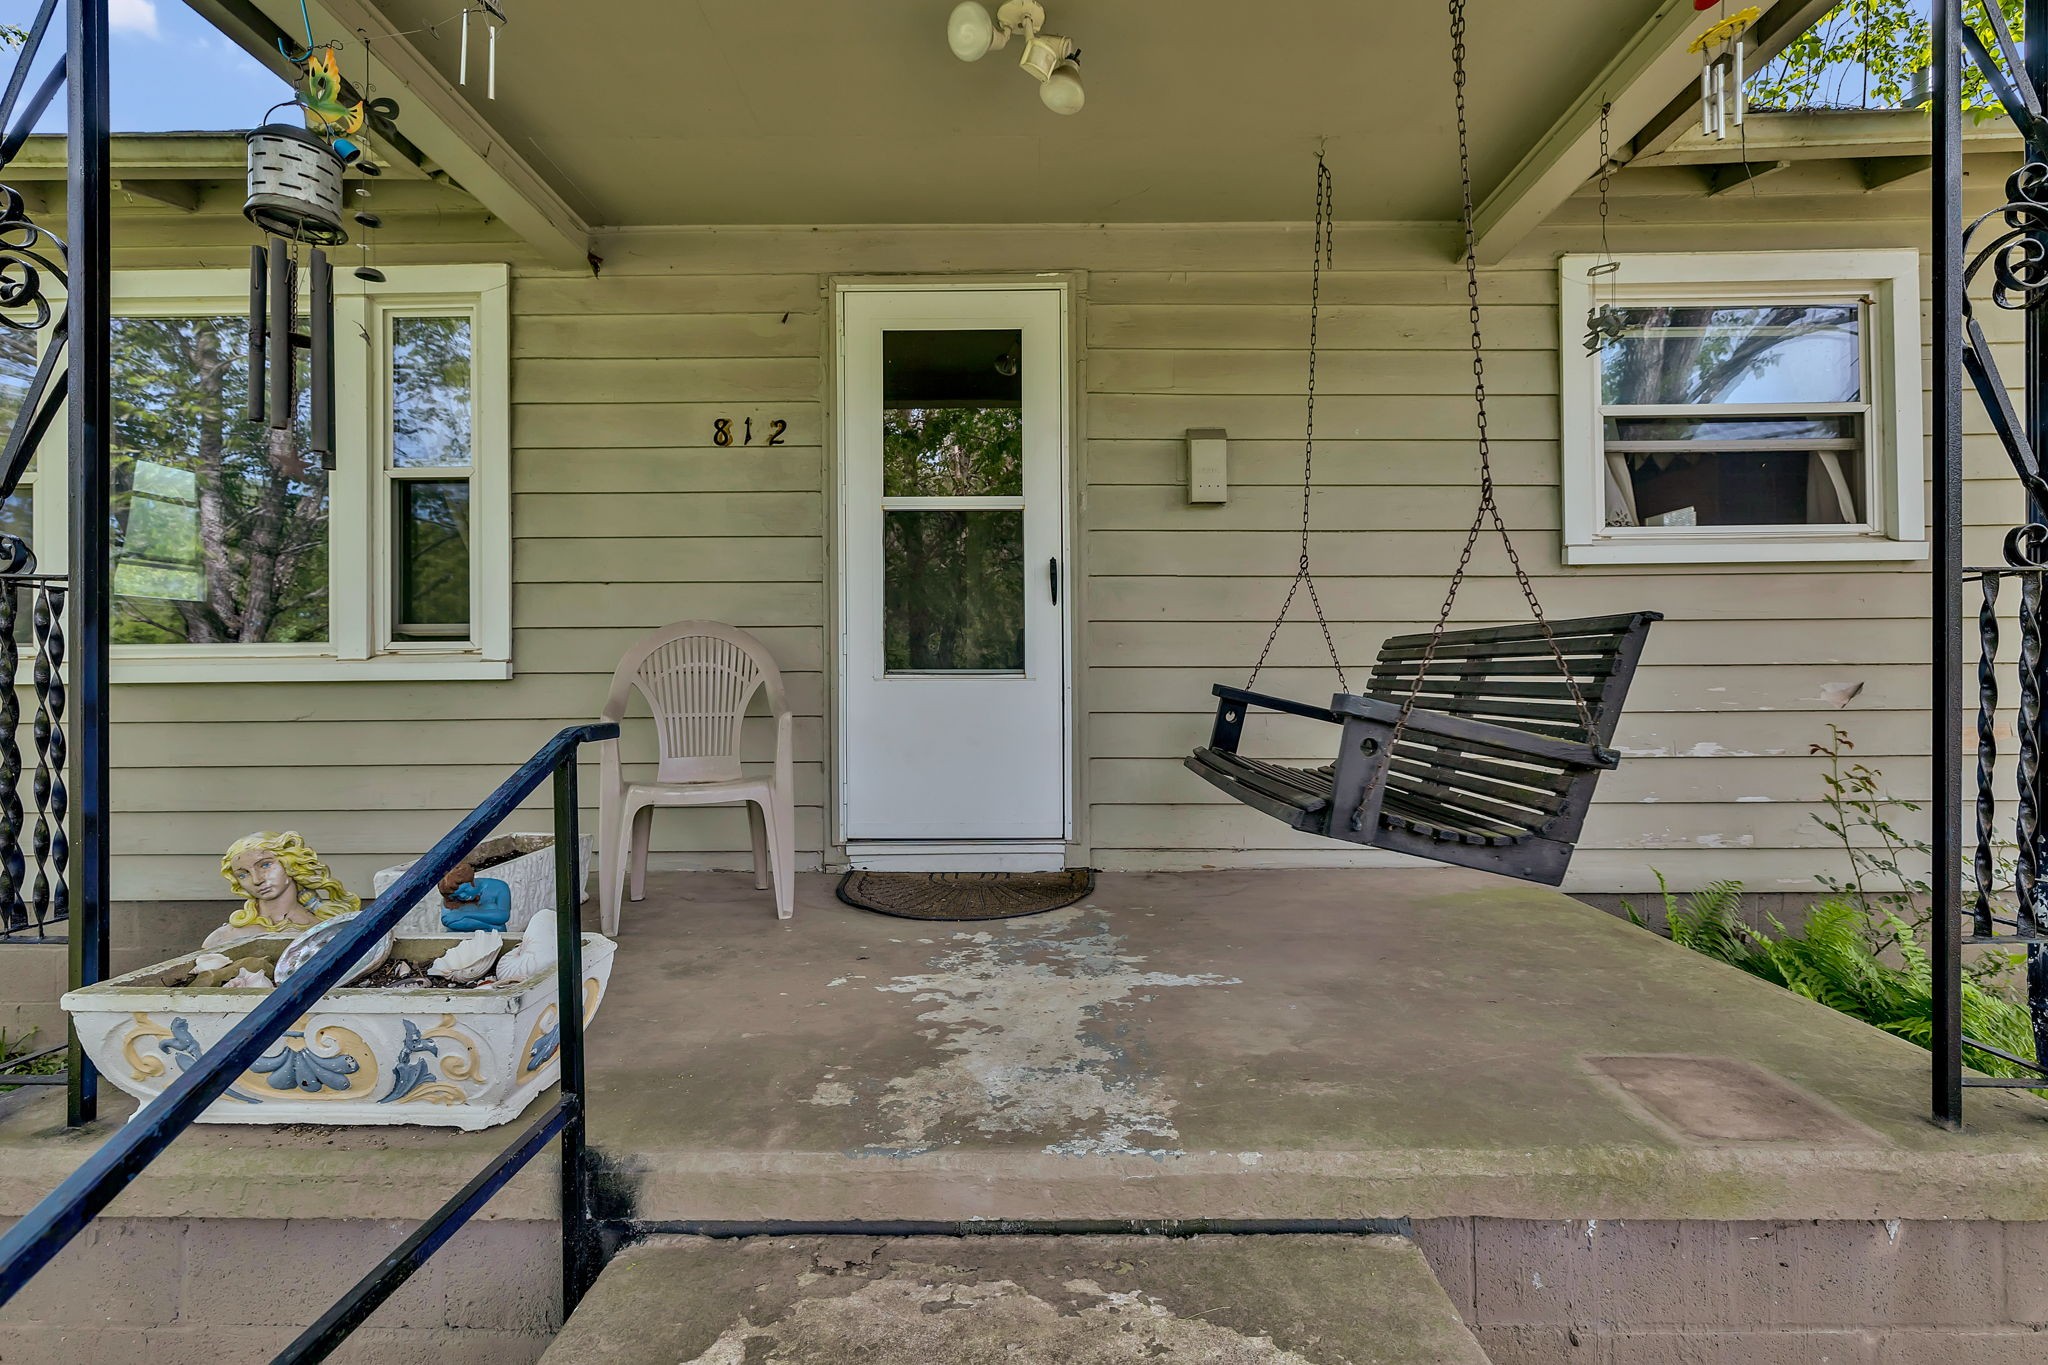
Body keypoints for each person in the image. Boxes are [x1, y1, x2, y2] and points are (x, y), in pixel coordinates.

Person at [206, 831, 360, 949]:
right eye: (243, 874)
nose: (257, 880)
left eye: (265, 865)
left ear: (290, 863)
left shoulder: (327, 928)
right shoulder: (224, 938)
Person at [438, 862, 513, 932]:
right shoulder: (451, 894)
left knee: (490, 907)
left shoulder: (499, 887)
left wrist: (464, 914)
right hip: (463, 938)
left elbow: (503, 916)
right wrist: (487, 925)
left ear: (471, 880)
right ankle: (488, 927)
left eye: (464, 890)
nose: (462, 896)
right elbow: (449, 920)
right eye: (457, 895)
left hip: (492, 938)